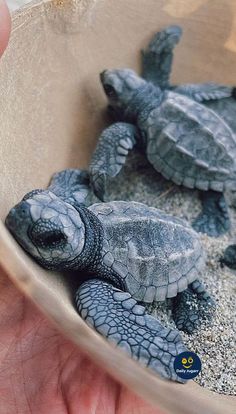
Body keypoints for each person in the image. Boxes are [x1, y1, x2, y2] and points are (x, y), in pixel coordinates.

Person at [0, 2, 161, 412]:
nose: (22, 216)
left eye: (47, 237)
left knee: (96, 300)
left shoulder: (93, 286)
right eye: (34, 203)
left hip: (170, 257)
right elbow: (72, 183)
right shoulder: (71, 199)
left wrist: (179, 362)